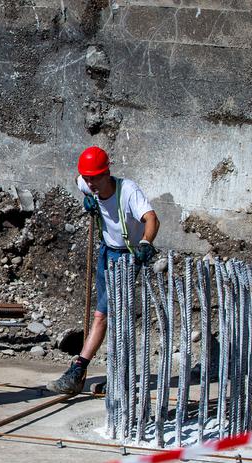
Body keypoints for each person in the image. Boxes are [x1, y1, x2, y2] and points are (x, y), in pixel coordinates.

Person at [46, 146, 160, 395]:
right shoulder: (88, 183)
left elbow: (151, 218)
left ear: (107, 172)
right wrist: (85, 194)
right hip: (106, 252)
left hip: (128, 256)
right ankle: (120, 375)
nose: (90, 183)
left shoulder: (128, 191)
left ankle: (78, 370)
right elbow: (76, 180)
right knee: (109, 315)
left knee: (102, 315)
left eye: (94, 178)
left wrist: (145, 243)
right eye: (87, 179)